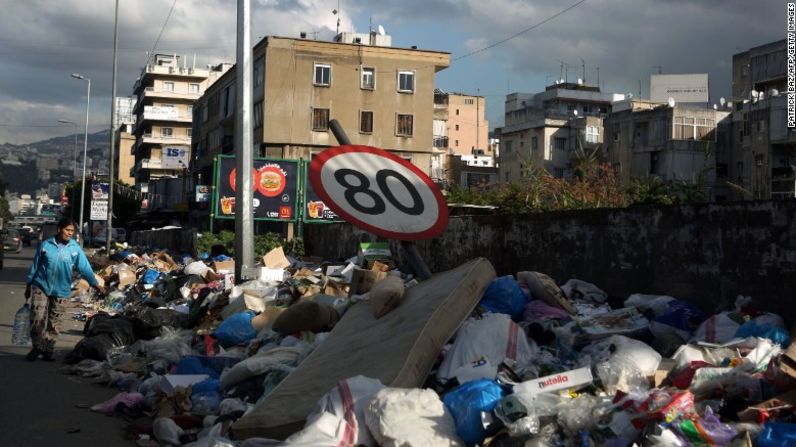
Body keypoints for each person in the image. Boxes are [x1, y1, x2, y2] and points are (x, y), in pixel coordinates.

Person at [24, 218, 105, 361]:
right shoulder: (45, 245)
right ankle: (37, 347)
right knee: (37, 318)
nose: (70, 233)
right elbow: (35, 267)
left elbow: (84, 267)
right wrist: (28, 284)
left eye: (72, 231)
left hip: (62, 289)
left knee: (55, 321)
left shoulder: (74, 248)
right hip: (41, 285)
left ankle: (48, 349)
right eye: (67, 230)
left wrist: (94, 283)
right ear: (59, 229)